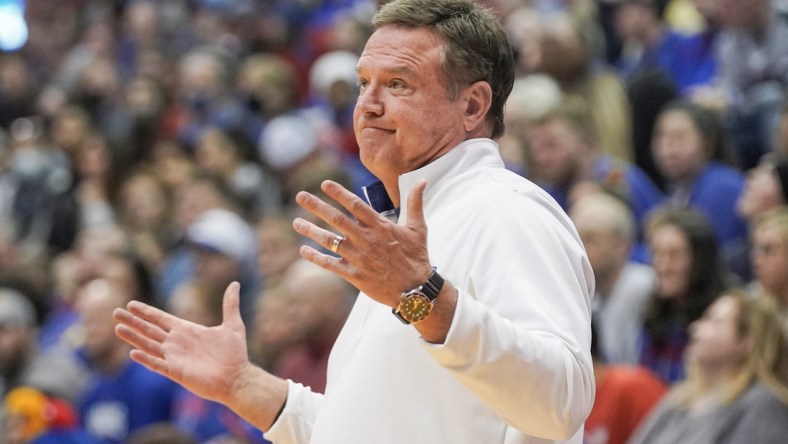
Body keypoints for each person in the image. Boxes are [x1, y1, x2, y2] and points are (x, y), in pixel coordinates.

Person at [113, 1, 596, 443]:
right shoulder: (410, 230)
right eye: (365, 82)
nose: (367, 105)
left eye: (398, 84)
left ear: (472, 105)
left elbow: (562, 403)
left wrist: (422, 295)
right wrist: (245, 385)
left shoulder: (506, 211)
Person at [629, 291, 788, 443]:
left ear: (746, 342)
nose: (695, 328)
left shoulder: (761, 405)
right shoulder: (680, 397)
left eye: (714, 321)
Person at [638, 207, 731, 383]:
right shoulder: (655, 314)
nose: (663, 266)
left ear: (700, 260)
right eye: (657, 254)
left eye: (674, 255)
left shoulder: (724, 317)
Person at [569, 191, 655, 364]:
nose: (580, 249)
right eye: (576, 238)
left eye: (591, 239)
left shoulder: (644, 287)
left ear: (621, 245)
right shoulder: (587, 294)